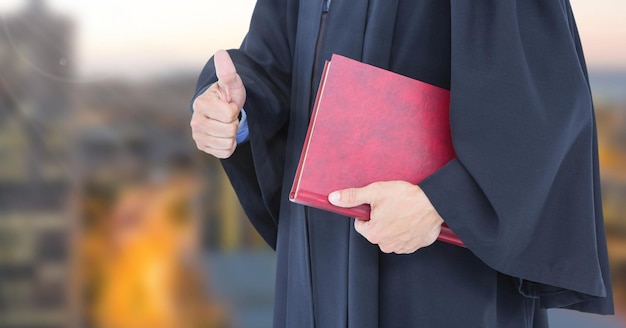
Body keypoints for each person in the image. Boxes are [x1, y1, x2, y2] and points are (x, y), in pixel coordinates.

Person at [190, 0, 614, 327]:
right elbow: (275, 65)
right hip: (322, 258)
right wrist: (233, 114)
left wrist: (443, 204)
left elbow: (544, 100)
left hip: (439, 271)